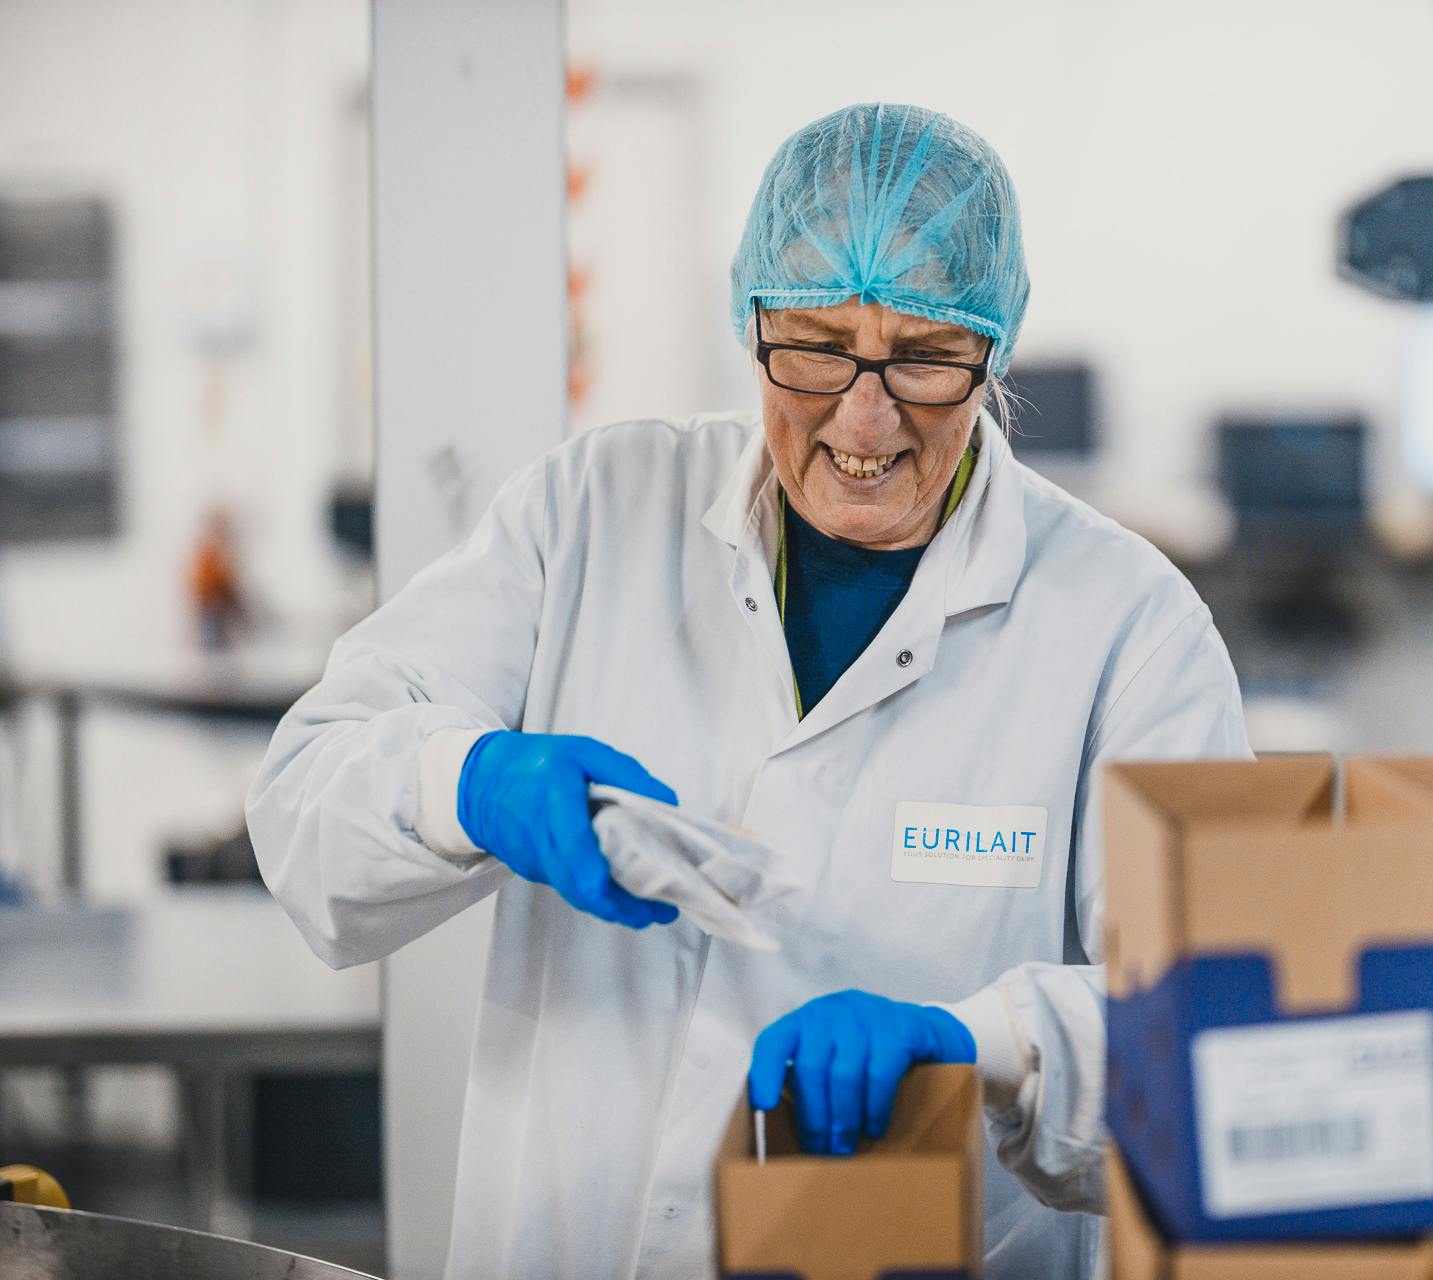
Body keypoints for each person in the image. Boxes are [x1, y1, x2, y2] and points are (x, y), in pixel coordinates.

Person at [248, 102, 1249, 1279]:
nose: (865, 415)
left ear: (994, 349)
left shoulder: (1127, 625)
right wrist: (466, 781)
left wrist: (985, 1041)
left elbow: (1212, 1037)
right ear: (753, 318)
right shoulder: (593, 514)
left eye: (925, 356)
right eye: (816, 345)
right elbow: (305, 800)